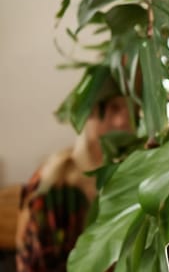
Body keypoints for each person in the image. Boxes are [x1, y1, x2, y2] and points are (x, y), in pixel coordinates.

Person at [15, 78, 133, 271]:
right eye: (113, 108)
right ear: (87, 113)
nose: (123, 121)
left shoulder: (131, 176)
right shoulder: (53, 184)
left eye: (129, 109)